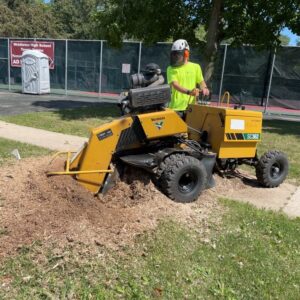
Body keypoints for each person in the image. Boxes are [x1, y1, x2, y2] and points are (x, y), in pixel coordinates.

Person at [167, 39, 210, 115]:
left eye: (177, 54)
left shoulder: (196, 67)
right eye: (174, 54)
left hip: (191, 108)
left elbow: (201, 82)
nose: (175, 57)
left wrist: (205, 88)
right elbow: (175, 85)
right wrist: (189, 92)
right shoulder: (171, 68)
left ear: (186, 54)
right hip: (176, 108)